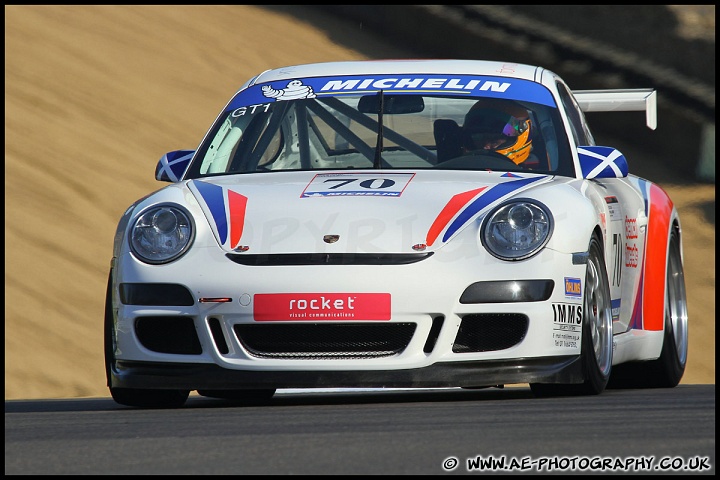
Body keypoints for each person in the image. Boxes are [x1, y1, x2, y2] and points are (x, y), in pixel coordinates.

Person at [460, 98, 534, 165]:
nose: (486, 147)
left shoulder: (542, 176)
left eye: (494, 141)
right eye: (480, 139)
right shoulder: (454, 166)